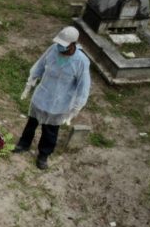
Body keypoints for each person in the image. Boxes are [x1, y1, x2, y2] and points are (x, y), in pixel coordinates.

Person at [13, 26, 91, 170]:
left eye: (64, 45)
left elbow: (83, 86)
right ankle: (24, 144)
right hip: (42, 94)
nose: (60, 47)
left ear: (73, 44)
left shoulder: (81, 61)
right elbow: (40, 65)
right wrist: (30, 82)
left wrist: (76, 107)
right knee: (32, 122)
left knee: (50, 130)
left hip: (60, 102)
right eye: (59, 44)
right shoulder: (53, 49)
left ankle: (43, 154)